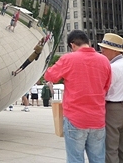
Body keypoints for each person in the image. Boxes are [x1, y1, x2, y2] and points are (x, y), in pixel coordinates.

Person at [45, 30, 112, 163]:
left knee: (75, 158)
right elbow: (106, 86)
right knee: (98, 158)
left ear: (72, 45)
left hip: (75, 117)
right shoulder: (104, 60)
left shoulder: (68, 58)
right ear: (88, 42)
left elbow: (50, 76)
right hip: (97, 118)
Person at [99, 33, 123, 163]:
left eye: (104, 48)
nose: (102, 51)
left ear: (113, 50)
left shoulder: (112, 67)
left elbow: (104, 89)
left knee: (111, 148)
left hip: (112, 108)